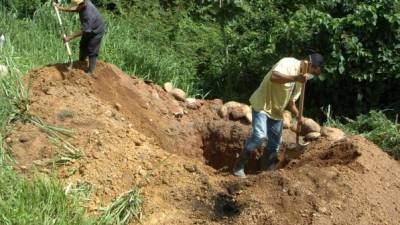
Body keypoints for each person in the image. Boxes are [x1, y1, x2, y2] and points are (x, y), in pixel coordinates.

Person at [233, 53, 324, 178]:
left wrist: (298, 115)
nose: (311, 76)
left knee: (275, 144)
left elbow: (291, 102)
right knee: (260, 136)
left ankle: (266, 173)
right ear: (310, 64)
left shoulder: (301, 82)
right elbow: (274, 77)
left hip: (276, 111)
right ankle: (239, 166)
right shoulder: (288, 63)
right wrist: (296, 78)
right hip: (262, 105)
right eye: (313, 72)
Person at [54, 0, 105, 75]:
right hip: (89, 28)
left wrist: (69, 37)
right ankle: (81, 63)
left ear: (82, 4)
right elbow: (76, 8)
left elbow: (85, 30)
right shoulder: (83, 3)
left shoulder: (88, 14)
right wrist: (61, 8)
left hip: (96, 30)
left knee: (92, 49)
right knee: (83, 45)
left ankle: (91, 71)